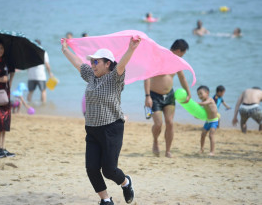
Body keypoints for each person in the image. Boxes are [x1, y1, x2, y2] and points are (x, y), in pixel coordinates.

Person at [61, 36, 141, 205]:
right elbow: (78, 64)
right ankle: (105, 200)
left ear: (107, 64)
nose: (93, 65)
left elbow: (121, 65)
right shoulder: (91, 76)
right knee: (91, 168)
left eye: (97, 62)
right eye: (92, 61)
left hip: (112, 128)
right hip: (92, 129)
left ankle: (126, 183)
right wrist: (65, 49)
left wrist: (131, 49)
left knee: (109, 170)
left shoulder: (114, 79)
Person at [144, 39, 191, 158]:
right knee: (158, 124)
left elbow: (182, 78)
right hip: (154, 96)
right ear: (179, 51)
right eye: (182, 54)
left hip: (169, 95)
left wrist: (188, 93)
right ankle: (155, 141)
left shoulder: (177, 62)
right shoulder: (159, 58)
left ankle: (168, 150)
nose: (182, 56)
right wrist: (147, 96)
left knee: (170, 123)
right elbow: (147, 77)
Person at [197, 85, 219, 156]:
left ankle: (212, 151)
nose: (200, 96)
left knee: (211, 135)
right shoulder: (202, 101)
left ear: (207, 93)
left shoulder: (210, 99)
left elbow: (204, 104)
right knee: (203, 134)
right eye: (198, 94)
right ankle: (202, 148)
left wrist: (196, 103)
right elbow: (203, 111)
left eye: (201, 93)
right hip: (208, 121)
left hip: (214, 121)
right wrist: (197, 115)